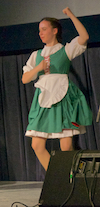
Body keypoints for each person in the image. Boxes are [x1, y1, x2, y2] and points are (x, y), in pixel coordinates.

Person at [22, 7, 92, 171]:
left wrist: (70, 15)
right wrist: (38, 67)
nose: (41, 33)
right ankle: (54, 178)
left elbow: (84, 37)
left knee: (66, 147)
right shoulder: (36, 55)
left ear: (55, 31)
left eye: (44, 29)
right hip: (43, 99)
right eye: (39, 30)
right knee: (37, 144)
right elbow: (25, 78)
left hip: (63, 96)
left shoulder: (65, 50)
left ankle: (70, 180)